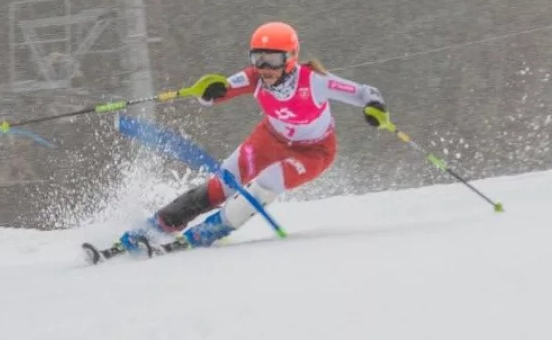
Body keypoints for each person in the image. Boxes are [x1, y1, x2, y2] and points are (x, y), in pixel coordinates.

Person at [119, 21, 390, 252]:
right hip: (269, 140)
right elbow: (217, 93)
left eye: (272, 60)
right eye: (257, 58)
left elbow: (366, 92)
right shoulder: (255, 78)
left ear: (290, 58)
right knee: (220, 185)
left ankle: (208, 232)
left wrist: (375, 108)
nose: (264, 67)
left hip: (313, 152)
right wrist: (208, 91)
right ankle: (157, 226)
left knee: (267, 182)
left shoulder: (314, 81)